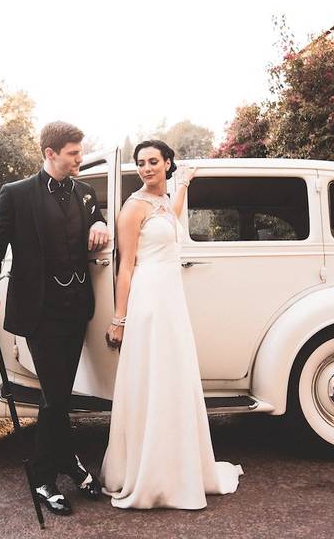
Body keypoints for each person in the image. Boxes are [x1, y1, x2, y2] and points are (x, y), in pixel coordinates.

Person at [100, 139, 243, 509]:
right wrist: (120, 319)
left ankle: (177, 466)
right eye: (140, 163)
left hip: (172, 301)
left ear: (167, 163)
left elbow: (172, 214)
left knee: (173, 377)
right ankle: (147, 472)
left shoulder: (164, 203)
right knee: (151, 378)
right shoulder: (133, 208)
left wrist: (187, 183)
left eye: (152, 161)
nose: (146, 168)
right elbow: (126, 265)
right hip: (148, 299)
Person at [0, 121, 109, 516]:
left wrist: (100, 221)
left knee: (60, 395)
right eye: (73, 154)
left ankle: (64, 462)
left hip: (76, 306)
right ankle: (45, 477)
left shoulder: (84, 193)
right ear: (50, 153)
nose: (80, 159)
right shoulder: (16, 194)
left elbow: (97, 216)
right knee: (55, 395)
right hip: (39, 309)